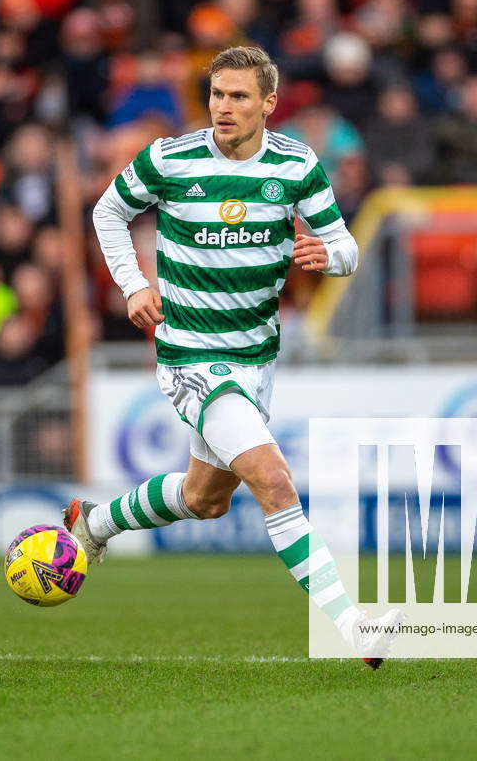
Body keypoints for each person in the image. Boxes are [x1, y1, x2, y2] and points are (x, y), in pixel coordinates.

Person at [65, 46, 403, 667]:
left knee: (204, 499)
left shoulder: (298, 166)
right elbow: (108, 210)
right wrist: (133, 284)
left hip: (256, 359)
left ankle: (94, 522)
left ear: (268, 104)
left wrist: (330, 258)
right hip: (191, 354)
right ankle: (352, 625)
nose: (224, 107)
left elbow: (346, 246)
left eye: (239, 96)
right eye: (218, 94)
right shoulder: (169, 159)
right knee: (274, 481)